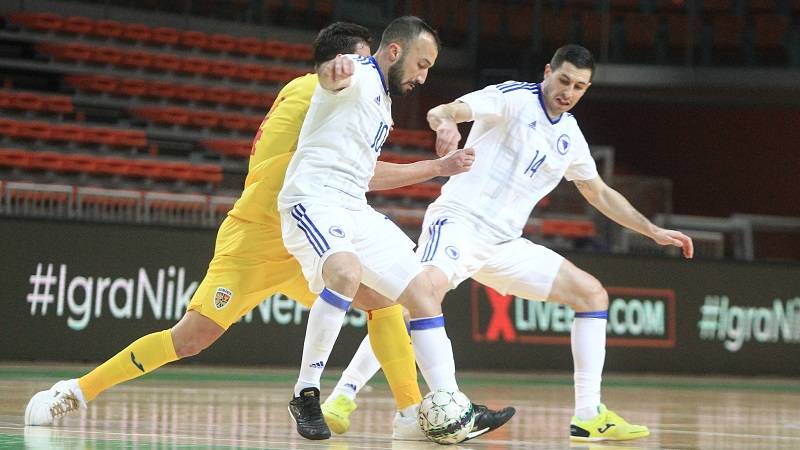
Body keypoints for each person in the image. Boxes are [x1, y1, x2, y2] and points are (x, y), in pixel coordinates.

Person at [24, 21, 511, 441]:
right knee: (191, 337)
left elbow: (361, 173)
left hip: (318, 231)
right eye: (356, 61)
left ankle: (411, 413)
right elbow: (302, 142)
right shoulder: (320, 87)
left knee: (384, 301)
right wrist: (337, 79)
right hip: (260, 235)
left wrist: (436, 167)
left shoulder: (363, 106)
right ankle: (75, 391)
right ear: (354, 59)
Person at [419, 44, 695, 442]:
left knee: (592, 294)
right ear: (548, 71)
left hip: (505, 245)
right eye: (564, 80)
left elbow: (599, 193)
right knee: (419, 294)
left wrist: (651, 231)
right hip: (458, 223)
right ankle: (352, 396)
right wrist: (445, 124)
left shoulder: (570, 135)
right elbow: (444, 110)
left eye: (580, 86)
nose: (569, 91)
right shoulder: (512, 98)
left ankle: (588, 415)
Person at [278, 16, 514, 442]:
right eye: (421, 65)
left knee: (422, 291)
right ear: (393, 52)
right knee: (346, 273)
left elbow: (368, 175)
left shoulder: (384, 105)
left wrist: (439, 168)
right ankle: (306, 393)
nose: (423, 76)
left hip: (352, 205)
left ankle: (452, 404)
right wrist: (333, 71)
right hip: (311, 199)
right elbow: (332, 77)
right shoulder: (359, 74)